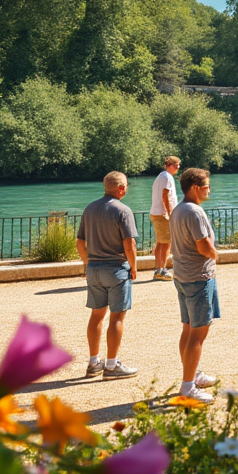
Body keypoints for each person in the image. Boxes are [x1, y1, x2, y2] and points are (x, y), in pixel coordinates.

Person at [77, 171, 140, 381]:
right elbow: (129, 243)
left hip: (94, 268)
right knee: (117, 317)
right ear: (121, 188)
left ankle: (94, 362)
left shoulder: (90, 208)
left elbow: (80, 242)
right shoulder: (123, 210)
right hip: (116, 269)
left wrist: (88, 263)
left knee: (96, 316)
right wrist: (134, 266)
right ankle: (112, 365)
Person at [170, 167, 223, 403]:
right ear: (195, 187)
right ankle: (188, 386)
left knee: (188, 328)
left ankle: (193, 375)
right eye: (206, 186)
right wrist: (215, 255)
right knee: (198, 333)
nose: (209, 189)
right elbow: (203, 246)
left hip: (182, 276)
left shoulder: (178, 209)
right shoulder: (194, 212)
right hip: (198, 278)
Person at [149, 156, 181, 280]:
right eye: (175, 165)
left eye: (178, 165)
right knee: (166, 243)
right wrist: (170, 213)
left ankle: (158, 269)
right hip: (163, 214)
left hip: (156, 213)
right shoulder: (167, 177)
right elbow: (165, 195)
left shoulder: (161, 176)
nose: (178, 167)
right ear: (168, 164)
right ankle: (162, 270)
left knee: (160, 243)